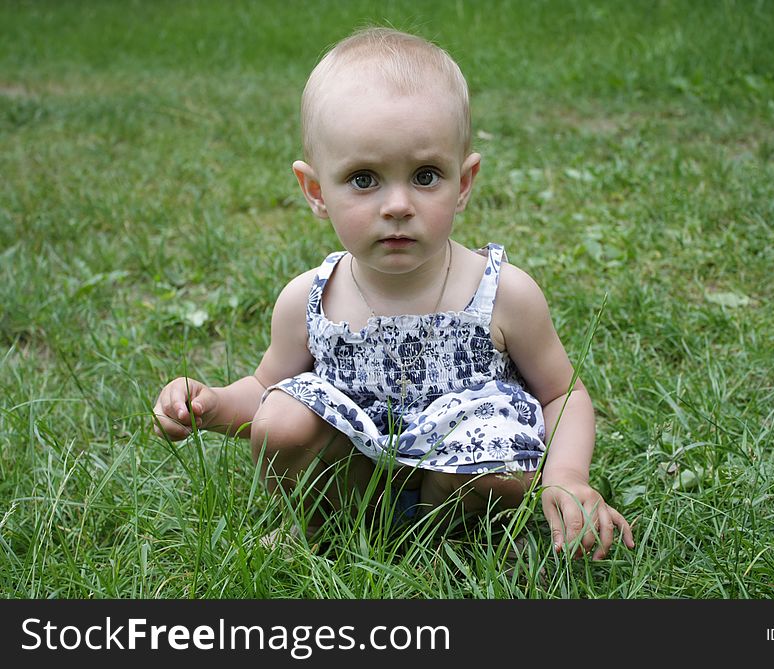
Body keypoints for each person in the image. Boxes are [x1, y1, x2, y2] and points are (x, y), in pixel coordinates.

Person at [152, 27, 634, 560]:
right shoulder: (310, 299)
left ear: (464, 182)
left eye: (426, 176)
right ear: (316, 192)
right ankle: (320, 530)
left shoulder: (501, 294)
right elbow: (265, 389)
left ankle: (455, 542)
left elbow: (562, 395)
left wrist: (566, 476)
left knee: (499, 464)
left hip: (463, 483)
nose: (398, 205)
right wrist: (214, 405)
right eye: (364, 179)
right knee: (282, 419)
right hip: (354, 479)